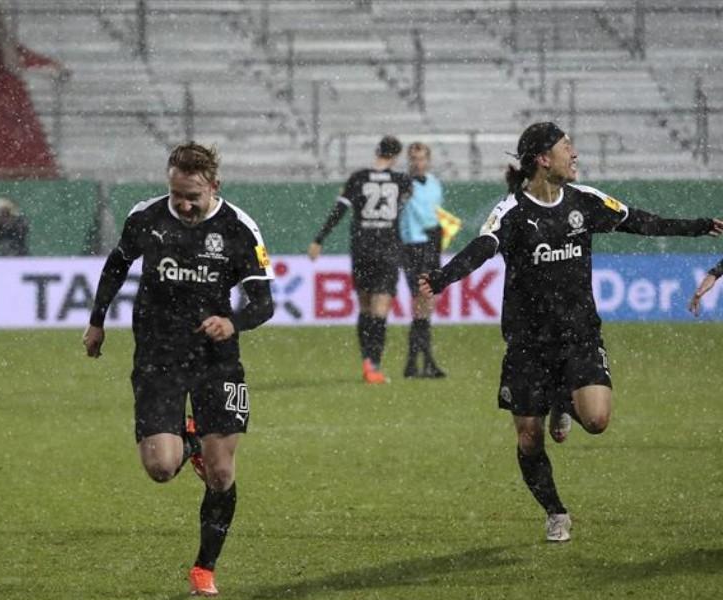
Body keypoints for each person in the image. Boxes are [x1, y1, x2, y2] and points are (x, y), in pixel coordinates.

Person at [419, 122, 722, 543]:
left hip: (580, 335)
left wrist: (701, 225)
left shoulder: (585, 201)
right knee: (529, 439)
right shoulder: (513, 211)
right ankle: (556, 512)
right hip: (527, 344)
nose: (574, 154)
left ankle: (564, 399)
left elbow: (641, 221)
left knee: (597, 420)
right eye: (567, 147)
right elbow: (483, 246)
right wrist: (442, 277)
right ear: (544, 160)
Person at [83, 142, 275, 597]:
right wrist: (97, 321)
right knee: (160, 468)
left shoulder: (238, 228)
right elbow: (117, 265)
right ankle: (188, 439)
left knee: (221, 474)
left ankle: (204, 568)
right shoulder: (147, 217)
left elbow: (264, 303)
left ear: (214, 186)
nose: (184, 205)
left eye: (193, 195)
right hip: (158, 356)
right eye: (176, 195)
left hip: (216, 359)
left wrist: (233, 322)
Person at [308, 135, 411, 384]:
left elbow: (339, 211)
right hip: (387, 249)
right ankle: (374, 364)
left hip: (363, 249)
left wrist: (319, 239)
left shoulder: (358, 178)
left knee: (365, 308)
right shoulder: (403, 181)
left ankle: (367, 361)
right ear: (396, 156)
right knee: (380, 310)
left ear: (377, 151)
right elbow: (406, 215)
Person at [398, 141, 446, 378]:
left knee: (427, 306)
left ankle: (415, 364)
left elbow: (435, 214)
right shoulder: (403, 185)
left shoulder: (435, 184)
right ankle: (423, 362)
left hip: (432, 244)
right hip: (413, 247)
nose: (417, 163)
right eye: (413, 158)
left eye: (421, 158)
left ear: (428, 160)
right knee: (420, 304)